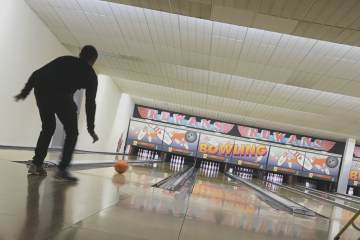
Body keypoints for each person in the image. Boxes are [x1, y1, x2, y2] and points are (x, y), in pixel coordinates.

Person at [15, 45, 99, 182]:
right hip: (62, 96)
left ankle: (36, 164)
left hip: (42, 92)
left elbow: (37, 73)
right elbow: (90, 104)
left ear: (80, 54)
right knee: (72, 133)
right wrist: (91, 128)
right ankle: (62, 170)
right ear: (93, 60)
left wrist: (24, 92)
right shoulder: (91, 75)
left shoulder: (64, 59)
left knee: (48, 127)